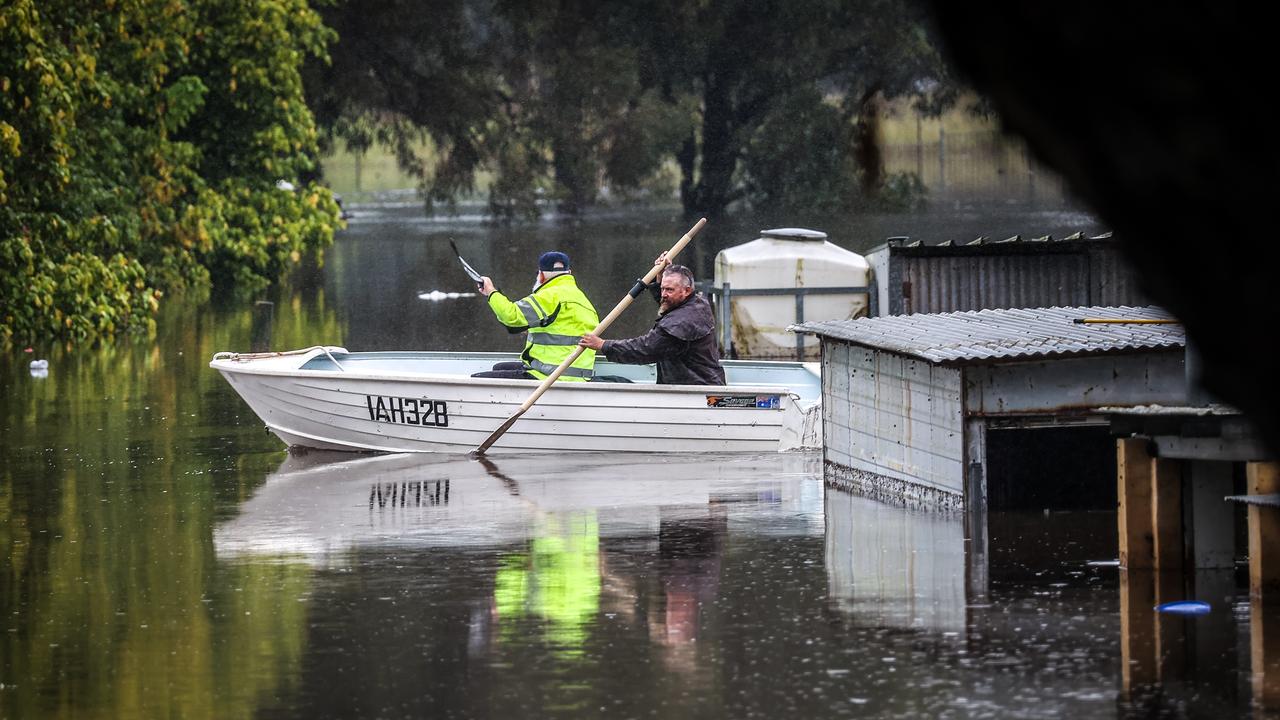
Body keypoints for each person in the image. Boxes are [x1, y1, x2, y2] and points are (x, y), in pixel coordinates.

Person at [579, 254, 725, 385]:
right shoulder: (698, 303)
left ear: (686, 291)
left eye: (669, 290)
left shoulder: (683, 322)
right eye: (662, 288)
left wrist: (604, 345)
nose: (664, 294)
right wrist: (659, 276)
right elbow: (670, 307)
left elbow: (645, 349)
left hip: (696, 392)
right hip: (699, 384)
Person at [474, 251, 599, 381]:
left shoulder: (551, 295)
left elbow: (511, 316)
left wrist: (491, 291)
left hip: (552, 375)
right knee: (499, 367)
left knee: (477, 379)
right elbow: (564, 328)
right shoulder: (582, 299)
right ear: (569, 273)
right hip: (576, 374)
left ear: (541, 275)